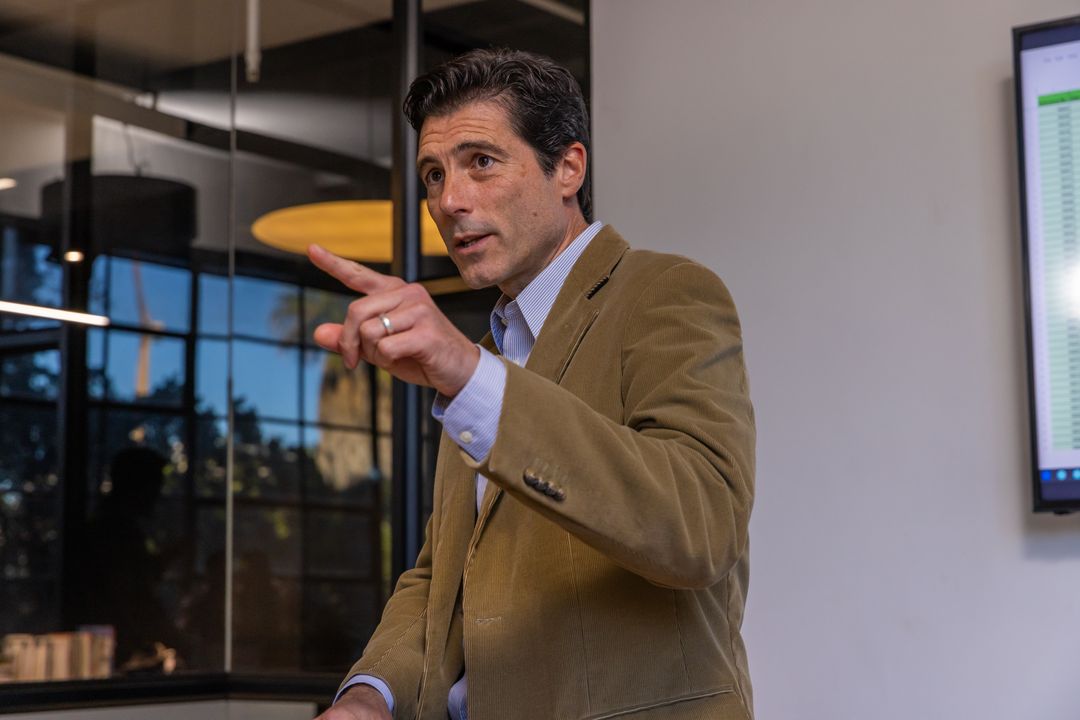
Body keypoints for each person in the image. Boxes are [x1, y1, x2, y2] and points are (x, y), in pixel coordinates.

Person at [310, 48, 755, 720]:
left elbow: (700, 526)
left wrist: (468, 377)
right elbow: (443, 580)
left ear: (568, 167)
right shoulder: (489, 356)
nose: (449, 201)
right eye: (433, 174)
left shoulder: (665, 293)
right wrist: (369, 696)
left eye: (480, 162)